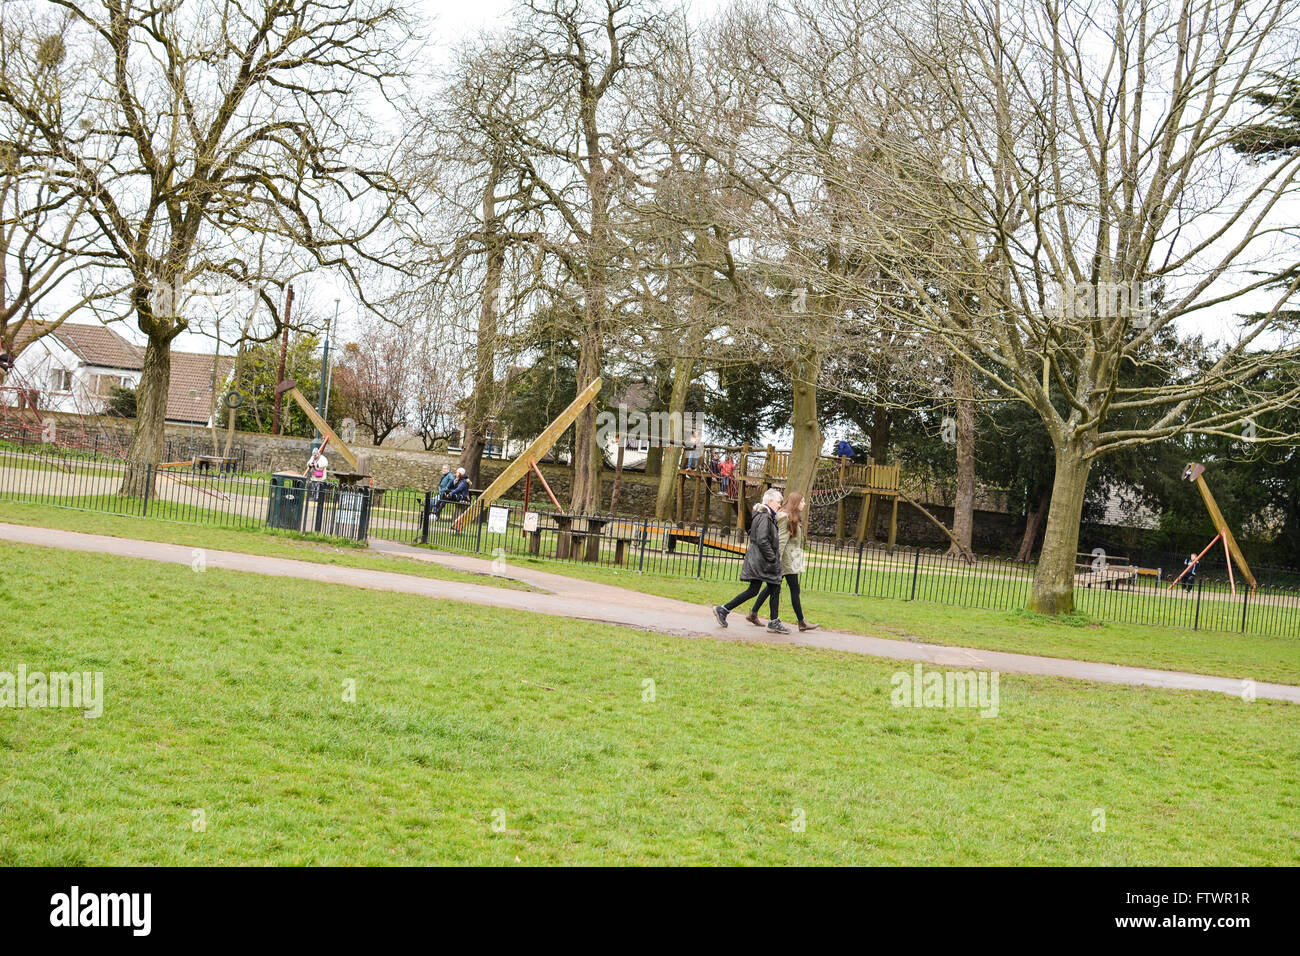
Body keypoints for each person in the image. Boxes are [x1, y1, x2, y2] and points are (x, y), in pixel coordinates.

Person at [713, 488, 789, 634]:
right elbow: (761, 539)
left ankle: (724, 609)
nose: (779, 505)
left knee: (765, 588)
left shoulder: (765, 516)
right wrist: (772, 557)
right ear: (770, 501)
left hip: (760, 559)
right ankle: (772, 622)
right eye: (778, 502)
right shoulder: (764, 517)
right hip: (762, 560)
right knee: (766, 588)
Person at [749, 491, 818, 632]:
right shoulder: (785, 518)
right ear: (796, 503)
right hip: (785, 561)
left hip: (792, 559)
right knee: (793, 589)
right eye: (802, 501)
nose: (804, 504)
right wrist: (776, 562)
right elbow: (781, 542)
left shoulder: (792, 517)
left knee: (771, 588)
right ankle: (801, 622)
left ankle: (753, 613)